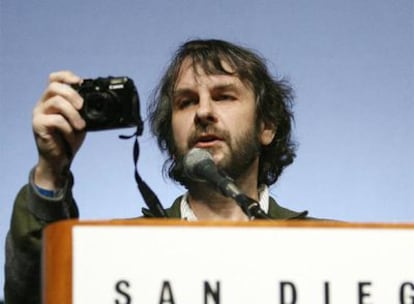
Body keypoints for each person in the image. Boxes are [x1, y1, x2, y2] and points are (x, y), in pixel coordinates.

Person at [4, 39, 309, 304]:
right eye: (186, 102)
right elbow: (33, 297)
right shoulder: (115, 250)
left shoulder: (330, 246)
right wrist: (50, 171)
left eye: (223, 96)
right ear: (170, 132)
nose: (203, 112)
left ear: (266, 126)